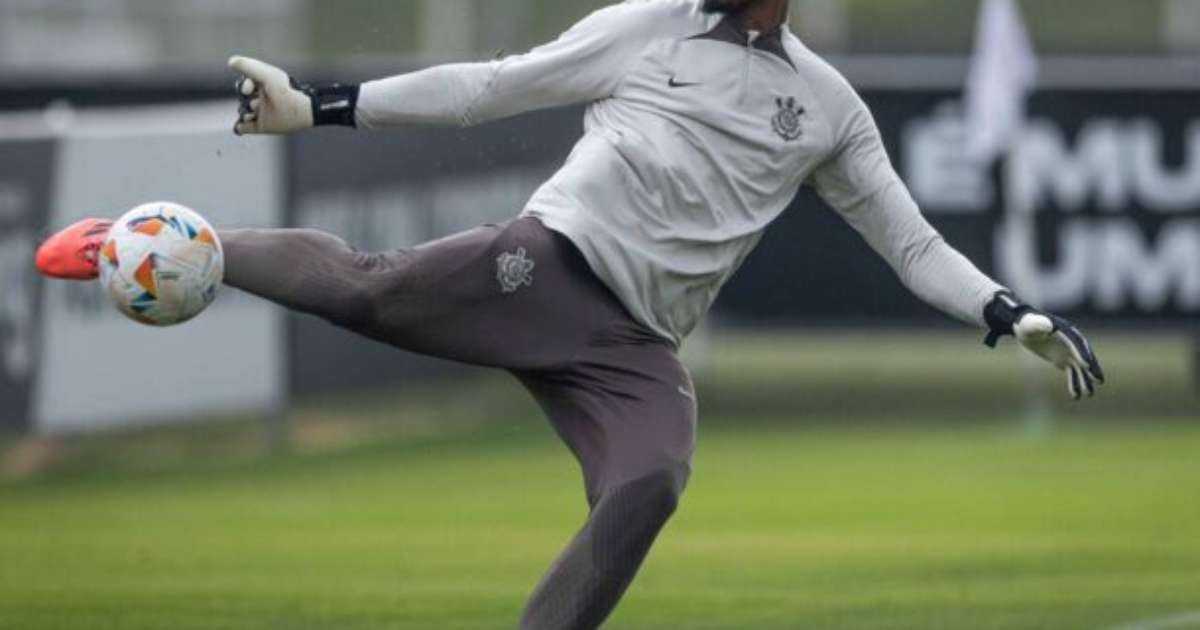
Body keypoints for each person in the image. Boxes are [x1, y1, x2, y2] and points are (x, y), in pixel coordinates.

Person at [34, 0, 1105, 627]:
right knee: (364, 286)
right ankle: (155, 241)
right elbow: (491, 87)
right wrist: (319, 107)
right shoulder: (648, 27)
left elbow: (911, 244)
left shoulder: (828, 107)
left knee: (651, 482)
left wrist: (1006, 311)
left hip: (635, 348)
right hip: (546, 264)